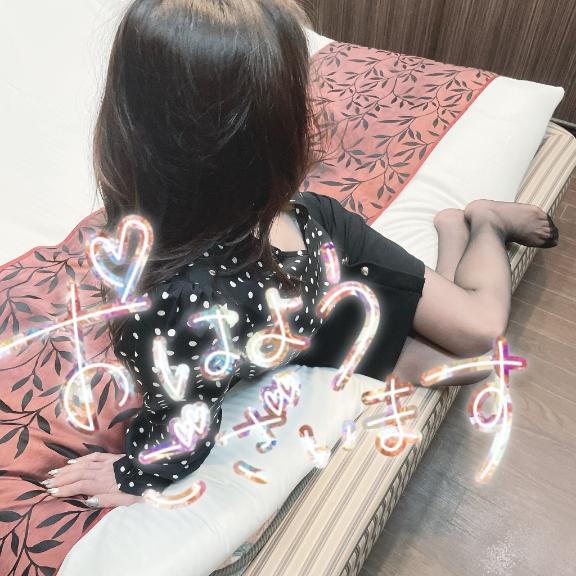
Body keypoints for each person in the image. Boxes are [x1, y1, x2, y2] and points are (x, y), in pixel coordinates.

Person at [40, 0, 559, 508]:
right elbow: (184, 414)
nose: (311, 116)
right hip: (313, 325)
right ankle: (456, 230)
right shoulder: (174, 299)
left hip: (332, 249)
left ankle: (483, 221)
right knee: (470, 364)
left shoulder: (248, 202)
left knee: (481, 332)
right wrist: (138, 473)